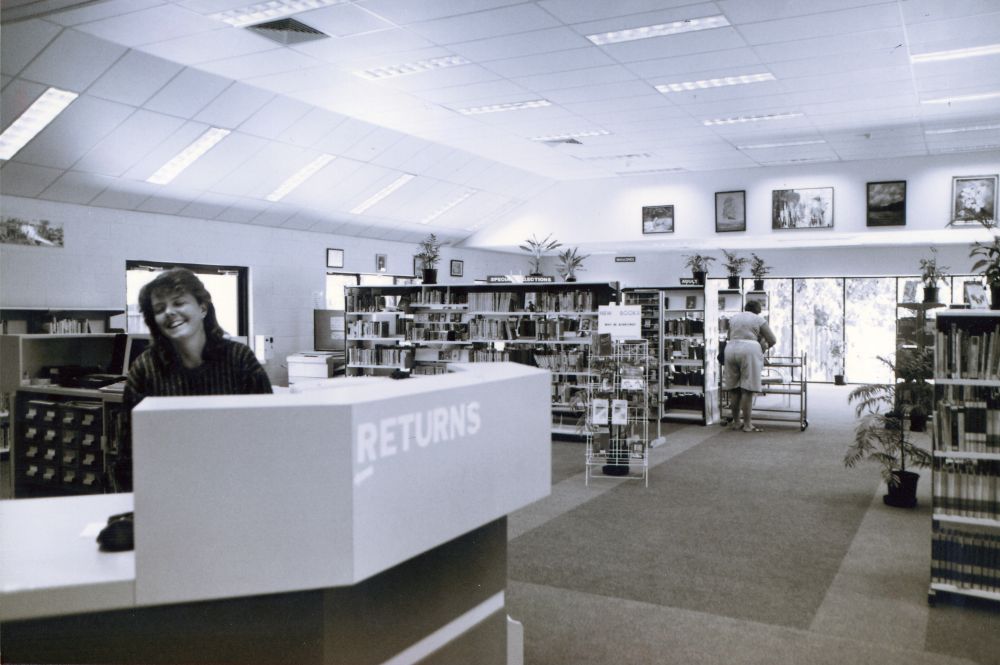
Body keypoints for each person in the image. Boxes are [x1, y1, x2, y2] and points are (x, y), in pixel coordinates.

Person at [114, 268, 272, 490]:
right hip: (168, 488)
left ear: (203, 308)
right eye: (159, 309)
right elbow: (128, 451)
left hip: (234, 484)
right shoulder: (145, 368)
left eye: (178, 303)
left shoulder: (239, 360)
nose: (169, 312)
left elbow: (267, 436)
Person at [723, 299, 777, 433]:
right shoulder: (758, 319)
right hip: (749, 350)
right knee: (747, 389)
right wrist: (763, 347)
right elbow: (772, 339)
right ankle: (747, 425)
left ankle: (736, 422)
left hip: (730, 349)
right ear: (758, 310)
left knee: (734, 389)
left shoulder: (734, 318)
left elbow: (729, 336)